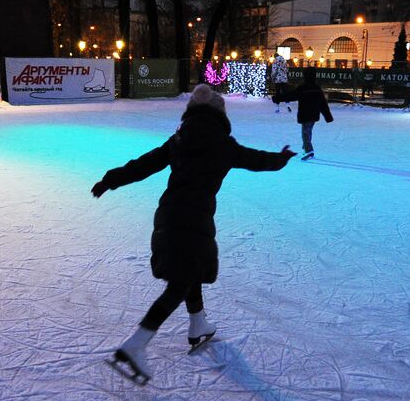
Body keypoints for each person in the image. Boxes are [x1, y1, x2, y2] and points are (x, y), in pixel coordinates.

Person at [91, 84, 296, 384]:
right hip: (194, 220)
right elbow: (258, 161)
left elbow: (144, 165)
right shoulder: (224, 146)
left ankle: (198, 325)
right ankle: (136, 344)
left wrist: (110, 180)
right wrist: (282, 158)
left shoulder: (178, 140)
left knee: (189, 273)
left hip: (168, 216)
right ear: (219, 115)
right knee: (181, 282)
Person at [273, 68, 334, 160]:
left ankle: (308, 150)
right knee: (307, 132)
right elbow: (323, 104)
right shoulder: (317, 89)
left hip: (305, 114)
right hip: (313, 114)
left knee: (305, 133)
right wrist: (328, 116)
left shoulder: (303, 88)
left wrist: (277, 98)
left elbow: (291, 95)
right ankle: (306, 148)